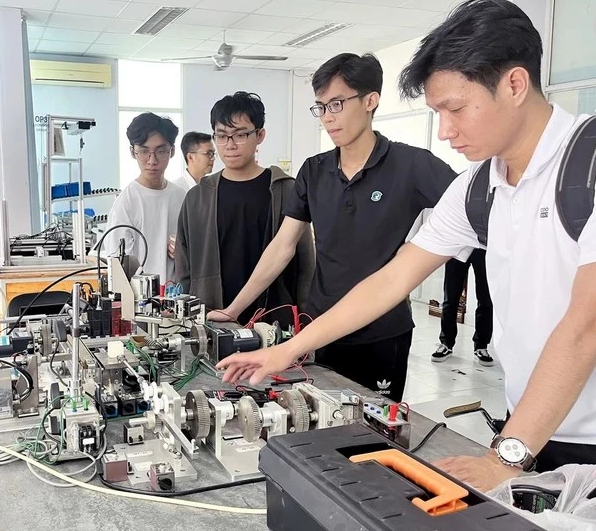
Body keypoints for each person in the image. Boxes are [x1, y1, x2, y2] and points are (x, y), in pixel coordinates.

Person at [217, 0, 596, 491]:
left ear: (514, 84)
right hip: (531, 424)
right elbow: (393, 278)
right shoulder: (478, 187)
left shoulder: (590, 168)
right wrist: (287, 350)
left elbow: (588, 324)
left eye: (456, 108)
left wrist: (508, 454)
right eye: (437, 112)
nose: (445, 131)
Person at [209, 54, 457, 401]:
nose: (327, 117)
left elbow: (466, 213)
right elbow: (282, 247)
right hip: (320, 328)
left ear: (370, 101)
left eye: (337, 104)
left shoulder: (412, 164)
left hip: (382, 332)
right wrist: (234, 310)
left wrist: (419, 249)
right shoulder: (314, 170)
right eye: (321, 107)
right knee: (319, 419)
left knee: (374, 433)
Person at [174, 92, 315, 326]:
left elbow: (306, 266)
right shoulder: (198, 197)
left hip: (274, 320)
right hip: (213, 318)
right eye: (222, 136)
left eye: (240, 134)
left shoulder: (286, 191)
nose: (230, 145)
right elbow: (184, 267)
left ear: (259, 135)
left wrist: (305, 322)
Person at [107, 113, 185, 283]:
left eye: (161, 151)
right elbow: (117, 265)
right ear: (132, 152)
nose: (152, 160)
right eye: (144, 151)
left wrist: (183, 249)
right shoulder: (126, 203)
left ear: (171, 151)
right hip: (140, 301)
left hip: (177, 296)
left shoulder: (181, 197)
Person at [433, 248, 494, 366]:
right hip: (459, 244)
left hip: (483, 245)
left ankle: (481, 346)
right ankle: (446, 343)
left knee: (485, 299)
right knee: (450, 298)